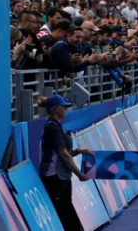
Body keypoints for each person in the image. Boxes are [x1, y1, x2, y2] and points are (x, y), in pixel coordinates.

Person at [38, 94, 91, 231]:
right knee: (62, 211)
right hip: (54, 177)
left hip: (62, 175)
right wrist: (79, 174)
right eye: (64, 106)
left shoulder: (57, 126)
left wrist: (78, 151)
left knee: (67, 207)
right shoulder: (52, 128)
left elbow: (65, 153)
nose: (67, 109)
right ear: (55, 109)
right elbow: (64, 155)